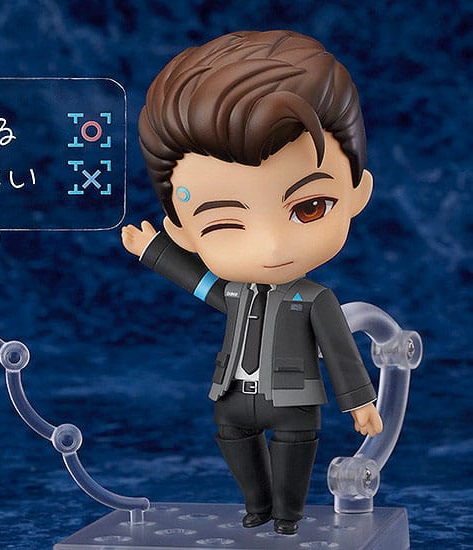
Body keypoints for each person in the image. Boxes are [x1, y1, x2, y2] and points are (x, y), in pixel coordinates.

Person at [121, 30, 383, 536]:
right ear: (183, 230)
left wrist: (359, 402)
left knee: (293, 454)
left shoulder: (315, 298)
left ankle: (287, 514)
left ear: (356, 191)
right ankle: (257, 504)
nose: (271, 247)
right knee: (232, 438)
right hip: (233, 395)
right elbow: (200, 284)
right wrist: (154, 251)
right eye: (223, 223)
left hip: (294, 400)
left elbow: (341, 351)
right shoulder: (235, 293)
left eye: (310, 207)